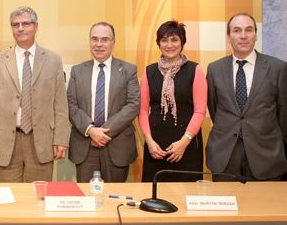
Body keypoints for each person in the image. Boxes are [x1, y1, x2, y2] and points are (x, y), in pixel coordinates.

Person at [0, 6, 69, 182]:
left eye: (26, 24)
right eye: (15, 25)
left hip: (42, 142)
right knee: (10, 199)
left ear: (36, 26)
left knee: (40, 198)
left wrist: (61, 139)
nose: (20, 28)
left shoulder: (53, 60)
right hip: (7, 142)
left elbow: (60, 104)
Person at [206, 13, 287, 181]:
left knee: (264, 206)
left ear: (256, 35)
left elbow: (283, 114)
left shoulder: (278, 68)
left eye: (248, 30)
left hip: (265, 155)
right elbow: (214, 108)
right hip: (225, 155)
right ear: (229, 37)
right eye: (237, 30)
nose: (243, 35)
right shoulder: (214, 69)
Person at [67, 22, 140, 182]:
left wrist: (103, 132)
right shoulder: (77, 71)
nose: (99, 44)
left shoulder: (128, 70)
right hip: (85, 144)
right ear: (90, 42)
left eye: (105, 39)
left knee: (113, 199)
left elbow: (133, 105)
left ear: (113, 43)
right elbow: (71, 106)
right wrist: (91, 130)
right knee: (87, 197)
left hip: (117, 143)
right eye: (94, 39)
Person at [139, 21, 207, 182]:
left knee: (187, 196)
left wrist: (184, 142)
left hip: (187, 144)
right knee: (154, 195)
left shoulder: (194, 70)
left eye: (174, 39)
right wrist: (149, 142)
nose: (169, 45)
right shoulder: (149, 71)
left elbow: (200, 111)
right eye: (164, 40)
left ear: (182, 43)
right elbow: (142, 110)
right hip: (156, 146)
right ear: (159, 43)